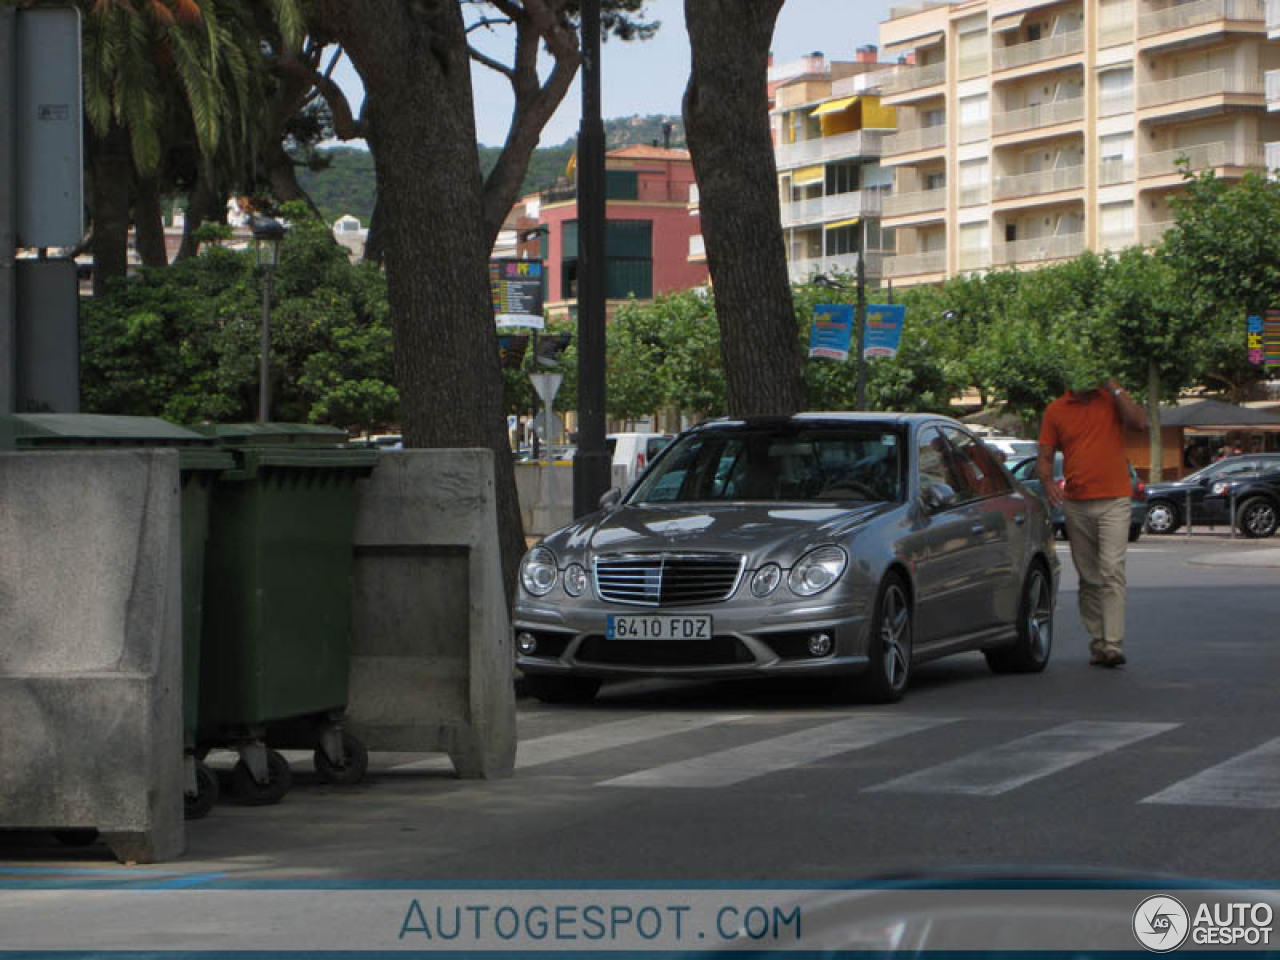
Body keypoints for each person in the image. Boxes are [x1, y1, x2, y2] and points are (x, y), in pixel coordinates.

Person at [1038, 377, 1148, 668]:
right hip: (1076, 501)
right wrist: (1048, 482)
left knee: (1112, 569)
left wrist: (1113, 385)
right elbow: (1046, 454)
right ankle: (1099, 640)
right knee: (1088, 577)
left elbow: (1140, 422)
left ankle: (1113, 644)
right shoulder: (1056, 410)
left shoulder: (1111, 399)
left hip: (1115, 499)